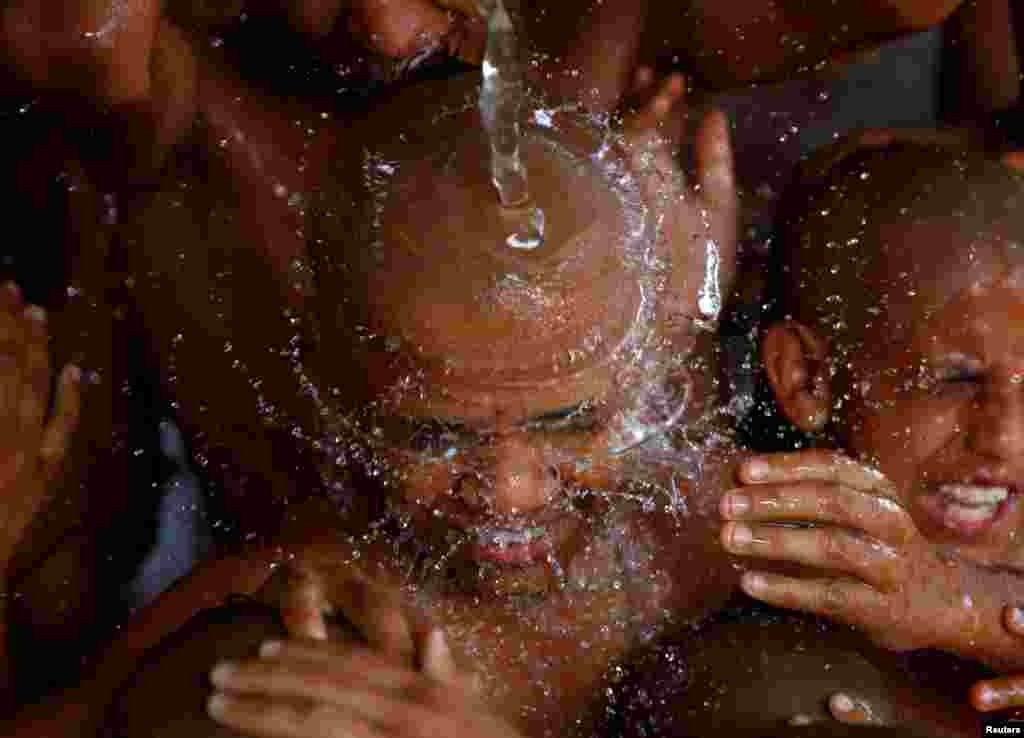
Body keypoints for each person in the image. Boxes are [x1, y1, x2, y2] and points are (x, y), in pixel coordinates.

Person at [715, 134, 1024, 725]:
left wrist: (965, 609)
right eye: (956, 380)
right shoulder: (755, 617)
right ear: (808, 378)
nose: (1006, 439)